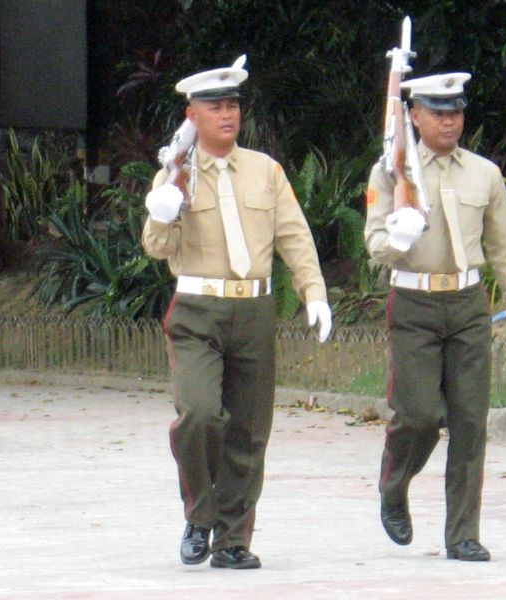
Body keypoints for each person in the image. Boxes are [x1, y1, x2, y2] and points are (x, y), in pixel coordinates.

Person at [141, 57, 332, 570]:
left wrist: (313, 291)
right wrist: (163, 210)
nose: (226, 114)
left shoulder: (265, 170)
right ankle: (199, 514)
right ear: (192, 114)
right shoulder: (176, 170)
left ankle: (232, 540)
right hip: (198, 308)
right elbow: (156, 246)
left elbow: (293, 234)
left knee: (249, 430)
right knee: (200, 414)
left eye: (232, 105)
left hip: (254, 308)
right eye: (214, 106)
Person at [364, 71, 506, 562]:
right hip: (415, 302)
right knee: (418, 416)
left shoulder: (484, 173)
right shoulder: (391, 171)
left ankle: (462, 532)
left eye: (456, 112)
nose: (449, 121)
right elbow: (374, 243)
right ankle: (394, 483)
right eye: (438, 113)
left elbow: (505, 249)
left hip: (467, 304)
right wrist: (397, 239)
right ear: (413, 116)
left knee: (469, 421)